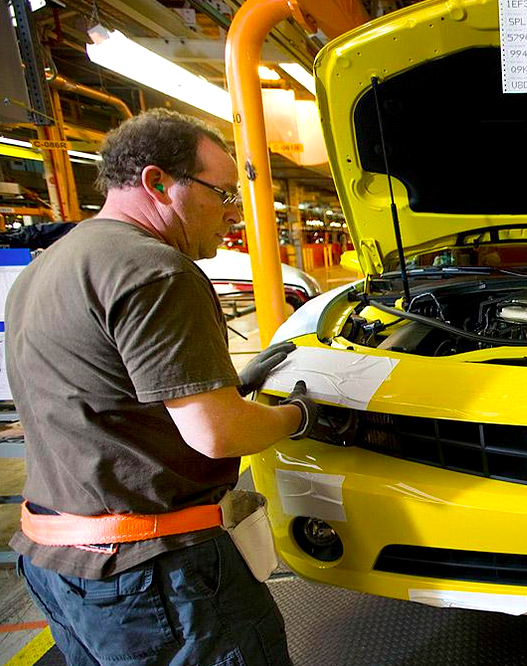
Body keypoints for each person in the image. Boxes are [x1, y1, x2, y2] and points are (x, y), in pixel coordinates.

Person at [5, 109, 318, 665]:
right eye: (222, 194)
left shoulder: (49, 265)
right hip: (152, 574)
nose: (232, 214)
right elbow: (218, 434)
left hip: (57, 559)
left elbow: (105, 396)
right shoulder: (156, 269)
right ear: (157, 182)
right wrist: (297, 413)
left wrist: (223, 385)